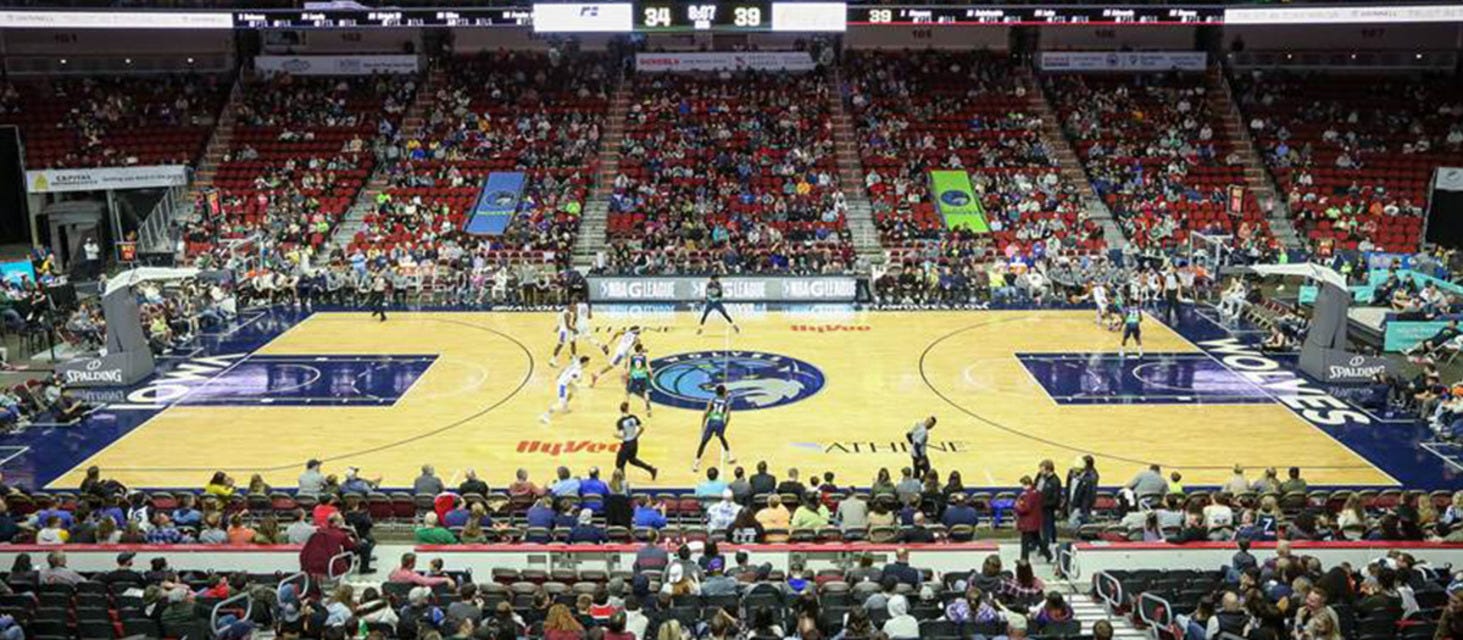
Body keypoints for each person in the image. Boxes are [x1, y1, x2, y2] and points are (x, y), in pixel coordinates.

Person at [692, 385, 734, 472]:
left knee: (703, 442)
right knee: (722, 438)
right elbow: (728, 417)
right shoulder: (727, 402)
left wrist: (703, 425)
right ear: (724, 392)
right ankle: (729, 457)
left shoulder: (712, 400)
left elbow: (706, 413)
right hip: (720, 422)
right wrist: (724, 426)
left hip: (711, 422)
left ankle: (696, 463)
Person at [541, 356, 591, 424]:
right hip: (562, 385)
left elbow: (564, 368)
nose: (588, 364)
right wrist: (579, 380)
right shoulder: (577, 372)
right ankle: (545, 415)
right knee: (560, 404)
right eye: (588, 363)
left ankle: (565, 407)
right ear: (584, 362)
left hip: (566, 381)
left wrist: (559, 374)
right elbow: (577, 380)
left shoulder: (576, 363)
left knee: (574, 390)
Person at [614, 402, 657, 480]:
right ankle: (651, 469)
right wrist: (637, 435)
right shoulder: (633, 417)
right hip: (634, 442)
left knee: (619, 464)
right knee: (632, 460)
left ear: (621, 410)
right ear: (627, 409)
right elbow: (642, 428)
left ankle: (622, 482)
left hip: (627, 444)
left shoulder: (620, 422)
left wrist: (616, 436)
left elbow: (623, 435)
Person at [1016, 475, 1048, 562]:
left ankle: (1024, 560)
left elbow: (1026, 509)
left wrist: (1017, 506)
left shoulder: (1028, 495)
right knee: (1038, 540)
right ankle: (1048, 555)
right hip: (1035, 521)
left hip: (1027, 523)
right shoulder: (1037, 492)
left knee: (1025, 543)